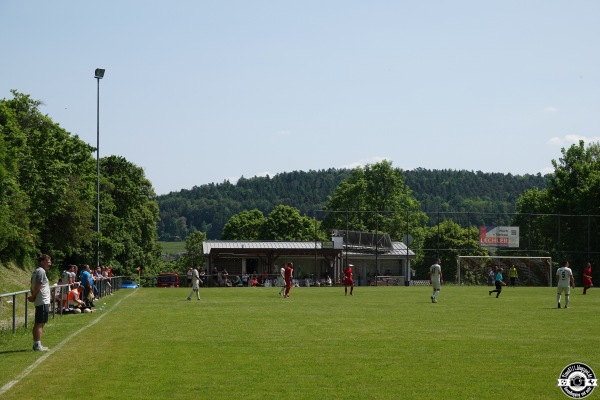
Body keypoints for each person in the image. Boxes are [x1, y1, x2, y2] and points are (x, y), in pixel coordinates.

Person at [28, 254, 52, 351]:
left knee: (40, 323)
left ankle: (37, 344)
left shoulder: (37, 271)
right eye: (48, 261)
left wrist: (33, 296)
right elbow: (37, 285)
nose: (50, 263)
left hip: (41, 300)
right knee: (39, 323)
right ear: (42, 262)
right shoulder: (41, 271)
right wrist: (33, 296)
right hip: (42, 300)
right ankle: (37, 345)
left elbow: (32, 285)